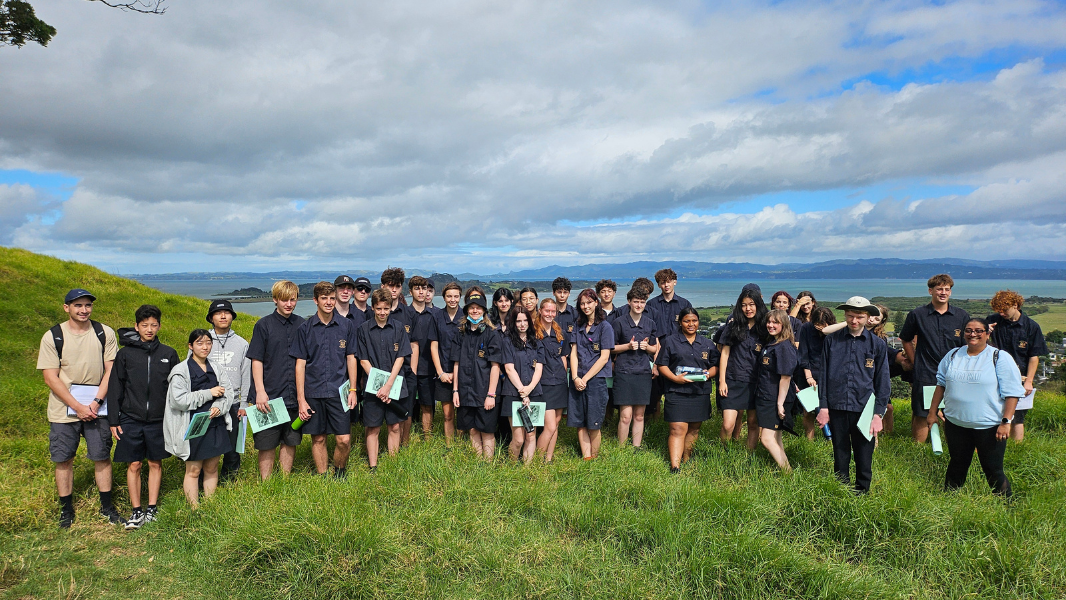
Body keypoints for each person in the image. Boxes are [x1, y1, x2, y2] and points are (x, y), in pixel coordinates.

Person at [38, 288, 123, 528]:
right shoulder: (53, 336)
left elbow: (111, 370)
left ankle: (107, 507)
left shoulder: (104, 333)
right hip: (63, 408)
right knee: (63, 458)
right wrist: (77, 406)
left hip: (98, 406)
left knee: (102, 455)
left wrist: (95, 403)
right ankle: (66, 509)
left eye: (87, 305)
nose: (83, 310)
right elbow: (50, 377)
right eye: (78, 306)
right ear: (67, 308)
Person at [926, 317, 1024, 497]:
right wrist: (932, 413)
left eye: (979, 330)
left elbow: (1012, 393)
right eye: (969, 330)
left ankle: (1008, 508)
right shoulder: (954, 355)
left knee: (993, 469)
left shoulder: (999, 357)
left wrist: (1006, 421)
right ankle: (949, 501)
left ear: (987, 334)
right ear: (963, 334)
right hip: (955, 423)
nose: (973, 334)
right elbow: (940, 385)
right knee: (957, 464)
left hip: (989, 426)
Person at [107, 305, 178, 529]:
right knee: (135, 464)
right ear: (136, 326)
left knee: (155, 463)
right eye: (145, 325)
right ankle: (136, 511)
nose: (149, 329)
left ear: (159, 326)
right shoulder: (125, 354)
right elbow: (115, 387)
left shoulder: (168, 354)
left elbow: (176, 389)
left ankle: (152, 509)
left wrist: (176, 418)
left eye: (154, 325)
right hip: (130, 417)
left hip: (159, 419)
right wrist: (113, 420)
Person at [815, 297, 890, 494]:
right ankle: (842, 491)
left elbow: (883, 381)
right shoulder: (832, 341)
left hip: (865, 408)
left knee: (864, 455)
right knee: (840, 453)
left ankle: (862, 493)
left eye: (859, 317)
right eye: (850, 316)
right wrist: (823, 407)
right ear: (845, 316)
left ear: (867, 317)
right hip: (837, 405)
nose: (854, 321)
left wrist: (878, 415)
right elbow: (822, 376)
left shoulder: (877, 345)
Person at [289, 281, 359, 477]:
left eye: (331, 298)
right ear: (315, 300)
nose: (329, 302)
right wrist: (301, 400)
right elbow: (300, 365)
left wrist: (353, 390)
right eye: (324, 298)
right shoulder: (305, 329)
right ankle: (323, 476)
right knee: (318, 438)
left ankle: (339, 472)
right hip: (314, 391)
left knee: (343, 439)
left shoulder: (347, 325)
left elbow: (351, 358)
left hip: (339, 392)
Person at [164, 329, 237, 509]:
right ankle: (194, 508)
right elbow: (178, 400)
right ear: (190, 346)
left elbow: (228, 393)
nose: (205, 347)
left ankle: (210, 506)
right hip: (193, 425)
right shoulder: (181, 370)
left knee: (212, 468)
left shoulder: (216, 367)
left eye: (208, 343)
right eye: (199, 343)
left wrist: (219, 407)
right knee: (194, 470)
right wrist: (208, 393)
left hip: (216, 423)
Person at [900, 274, 970, 443]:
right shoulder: (917, 314)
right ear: (931, 291)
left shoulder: (961, 316)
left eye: (947, 289)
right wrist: (915, 361)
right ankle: (918, 449)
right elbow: (906, 339)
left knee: (954, 410)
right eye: (939, 289)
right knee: (921, 412)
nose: (943, 292)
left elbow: (968, 345)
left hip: (955, 372)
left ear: (951, 292)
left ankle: (951, 446)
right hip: (925, 371)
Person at [246, 281, 305, 480]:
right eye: (284, 300)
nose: (289, 304)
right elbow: (256, 360)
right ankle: (267, 483)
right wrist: (260, 391)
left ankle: (285, 480)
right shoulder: (263, 325)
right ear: (275, 300)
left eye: (292, 299)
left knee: (291, 440)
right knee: (267, 442)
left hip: (293, 395)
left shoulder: (302, 325)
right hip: (269, 394)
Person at [655, 308, 719, 472]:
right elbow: (662, 365)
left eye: (694, 321)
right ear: (680, 323)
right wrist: (675, 378)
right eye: (686, 321)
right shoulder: (670, 341)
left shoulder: (707, 344)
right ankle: (675, 467)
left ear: (698, 322)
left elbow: (716, 366)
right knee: (677, 428)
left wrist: (707, 375)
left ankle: (687, 459)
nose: (691, 324)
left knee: (694, 428)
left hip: (699, 391)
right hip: (676, 391)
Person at [357, 288, 412, 470]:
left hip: (395, 386)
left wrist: (388, 385)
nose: (382, 313)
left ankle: (393, 463)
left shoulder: (398, 328)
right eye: (379, 309)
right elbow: (363, 360)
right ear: (373, 308)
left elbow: (401, 358)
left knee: (395, 426)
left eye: (386, 309)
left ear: (390, 308)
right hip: (373, 388)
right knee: (373, 428)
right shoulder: (363, 330)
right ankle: (373, 466)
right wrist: (379, 386)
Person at [988, 290, 1048, 441]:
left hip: (1020, 376)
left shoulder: (1031, 326)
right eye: (999, 311)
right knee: (991, 414)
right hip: (993, 375)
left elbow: (1034, 357)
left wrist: (1029, 381)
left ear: (1015, 305)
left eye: (1004, 310)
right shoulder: (992, 321)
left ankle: (1016, 450)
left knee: (1018, 418)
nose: (1001, 314)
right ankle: (991, 446)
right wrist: (985, 333)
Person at [451, 288, 504, 460]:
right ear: (466, 311)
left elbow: (495, 366)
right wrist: (455, 391)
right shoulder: (460, 333)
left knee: (487, 430)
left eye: (478, 308)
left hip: (484, 391)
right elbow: (456, 363)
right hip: (465, 390)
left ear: (484, 311)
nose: (475, 311)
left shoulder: (492, 334)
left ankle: (487, 464)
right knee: (472, 428)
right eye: (471, 308)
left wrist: (491, 394)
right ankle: (477, 464)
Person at [205, 299, 251, 482]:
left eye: (227, 312)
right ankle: (206, 482)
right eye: (218, 313)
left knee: (233, 448)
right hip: (208, 403)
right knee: (207, 446)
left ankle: (228, 482)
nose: (223, 316)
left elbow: (246, 374)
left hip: (233, 404)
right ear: (211, 318)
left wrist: (244, 403)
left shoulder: (241, 343)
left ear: (232, 316)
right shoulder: (202, 340)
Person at [717, 287, 768, 448]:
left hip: (756, 382)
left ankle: (749, 455)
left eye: (752, 304)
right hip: (733, 380)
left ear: (758, 304)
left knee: (753, 422)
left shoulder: (765, 328)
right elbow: (724, 354)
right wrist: (722, 381)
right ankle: (724, 452)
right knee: (728, 424)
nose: (748, 308)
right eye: (744, 305)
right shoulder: (733, 326)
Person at [569, 288, 615, 460]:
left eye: (589, 302)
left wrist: (585, 379)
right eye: (582, 303)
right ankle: (586, 456)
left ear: (596, 303)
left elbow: (604, 358)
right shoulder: (578, 326)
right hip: (577, 379)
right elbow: (573, 353)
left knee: (594, 423)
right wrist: (575, 377)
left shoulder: (605, 327)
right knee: (579, 421)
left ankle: (594, 457)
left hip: (596, 380)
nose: (585, 306)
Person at [611, 285, 659, 449]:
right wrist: (628, 346)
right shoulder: (619, 323)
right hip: (624, 372)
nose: (639, 305)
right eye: (636, 302)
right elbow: (611, 348)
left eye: (642, 302)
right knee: (625, 415)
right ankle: (622, 448)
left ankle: (636, 447)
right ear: (629, 302)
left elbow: (655, 348)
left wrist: (648, 348)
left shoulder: (650, 323)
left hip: (643, 372)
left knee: (639, 415)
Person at [379, 268, 418, 446]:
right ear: (383, 286)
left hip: (406, 370)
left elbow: (414, 344)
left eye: (397, 286)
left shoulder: (409, 313)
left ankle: (405, 444)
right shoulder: (378, 311)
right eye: (390, 286)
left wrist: (413, 371)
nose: (393, 290)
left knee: (406, 411)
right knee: (378, 413)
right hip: (381, 371)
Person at [754, 309, 797, 471]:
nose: (770, 325)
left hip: (775, 398)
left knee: (766, 439)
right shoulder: (774, 343)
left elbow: (785, 377)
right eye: (769, 322)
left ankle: (788, 472)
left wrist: (780, 404)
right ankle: (787, 472)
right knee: (775, 437)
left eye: (775, 322)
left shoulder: (783, 347)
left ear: (784, 325)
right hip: (767, 395)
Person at [501, 308, 544, 463]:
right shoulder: (507, 341)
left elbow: (539, 368)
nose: (522, 324)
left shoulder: (537, 341)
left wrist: (530, 388)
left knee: (531, 435)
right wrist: (523, 392)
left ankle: (527, 469)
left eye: (525, 320)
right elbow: (509, 368)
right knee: (518, 438)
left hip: (534, 392)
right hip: (513, 393)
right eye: (518, 321)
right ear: (513, 322)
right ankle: (511, 467)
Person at [647, 269, 692, 416]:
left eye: (669, 281)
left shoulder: (684, 304)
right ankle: (655, 423)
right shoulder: (651, 304)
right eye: (662, 282)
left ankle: (676, 418)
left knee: (677, 388)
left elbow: (690, 329)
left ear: (675, 282)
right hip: (657, 352)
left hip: (678, 352)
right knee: (655, 391)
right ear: (659, 285)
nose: (666, 285)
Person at [533, 298, 570, 462]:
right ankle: (537, 459)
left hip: (560, 382)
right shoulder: (533, 333)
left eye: (552, 311)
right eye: (546, 310)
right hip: (544, 383)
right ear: (540, 311)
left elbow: (564, 358)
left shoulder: (559, 333)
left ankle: (548, 459)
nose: (549, 314)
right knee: (549, 425)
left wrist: (565, 377)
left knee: (556, 424)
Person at [431, 282, 464, 444]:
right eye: (449, 296)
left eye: (456, 296)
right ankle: (450, 446)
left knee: (463, 412)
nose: (453, 299)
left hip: (463, 372)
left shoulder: (466, 317)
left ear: (460, 297)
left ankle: (462, 443)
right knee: (448, 414)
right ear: (443, 297)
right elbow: (434, 345)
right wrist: (440, 372)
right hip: (443, 371)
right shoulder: (437, 316)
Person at [797, 307, 837, 440]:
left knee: (831, 409)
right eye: (817, 325)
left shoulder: (836, 332)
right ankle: (809, 440)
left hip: (830, 375)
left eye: (824, 325)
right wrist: (808, 375)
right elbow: (803, 354)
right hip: (809, 373)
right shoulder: (806, 328)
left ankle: (832, 440)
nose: (820, 328)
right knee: (808, 411)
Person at [409, 276, 440, 438]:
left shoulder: (436, 315)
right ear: (411, 291)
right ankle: (405, 440)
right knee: (406, 405)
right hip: (408, 369)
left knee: (427, 405)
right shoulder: (404, 313)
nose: (422, 292)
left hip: (429, 368)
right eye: (417, 288)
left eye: (425, 288)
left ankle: (427, 438)